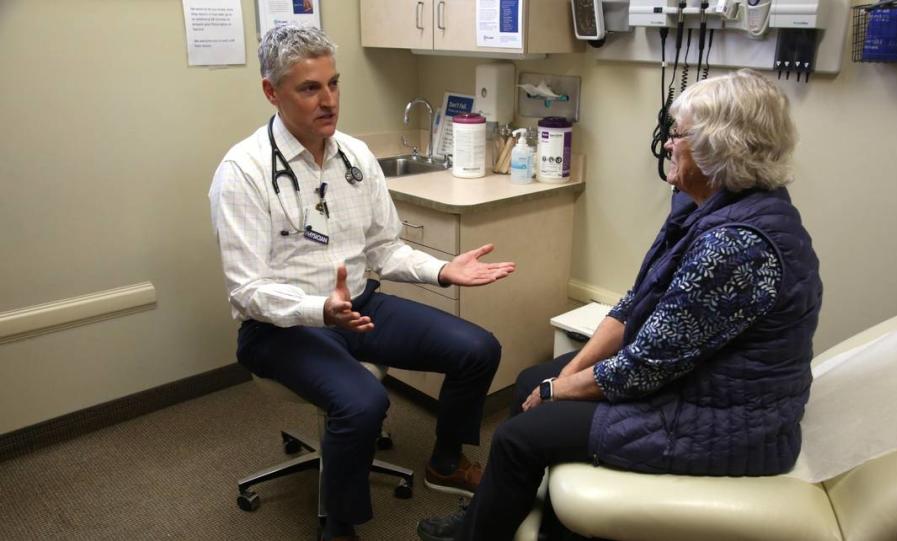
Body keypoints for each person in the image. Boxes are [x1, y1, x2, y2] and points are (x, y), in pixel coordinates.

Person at [417, 69, 823, 541]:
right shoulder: (708, 207)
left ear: (720, 146)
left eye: (678, 134)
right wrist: (560, 380)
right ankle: (498, 518)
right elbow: (636, 304)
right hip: (697, 381)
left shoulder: (736, 245)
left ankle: (482, 534)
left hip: (730, 423)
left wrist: (559, 392)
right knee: (532, 378)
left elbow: (645, 367)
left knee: (517, 435)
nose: (667, 144)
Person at [208, 24, 515, 541]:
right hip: (280, 329)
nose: (328, 100)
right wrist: (317, 309)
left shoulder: (353, 156)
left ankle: (444, 460)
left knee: (478, 348)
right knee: (363, 402)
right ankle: (340, 527)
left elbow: (384, 249)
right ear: (271, 92)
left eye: (333, 83)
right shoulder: (243, 171)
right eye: (310, 88)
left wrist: (441, 270)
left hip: (359, 307)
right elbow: (246, 291)